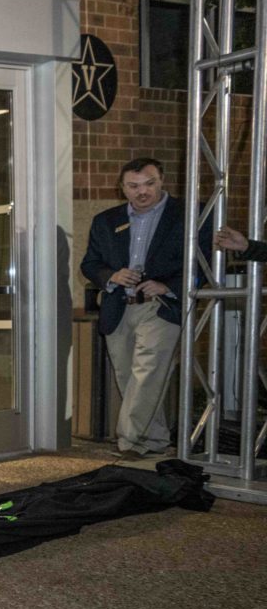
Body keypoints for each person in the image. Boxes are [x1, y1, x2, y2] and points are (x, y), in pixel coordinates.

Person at [80, 157, 186, 458]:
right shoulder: (106, 220)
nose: (143, 192)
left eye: (149, 183)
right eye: (134, 186)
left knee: (147, 373)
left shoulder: (186, 214)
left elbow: (201, 260)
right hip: (118, 306)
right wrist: (110, 276)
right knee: (129, 378)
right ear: (122, 188)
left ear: (162, 180)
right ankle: (154, 440)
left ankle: (127, 441)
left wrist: (169, 286)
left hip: (160, 307)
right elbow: (89, 263)